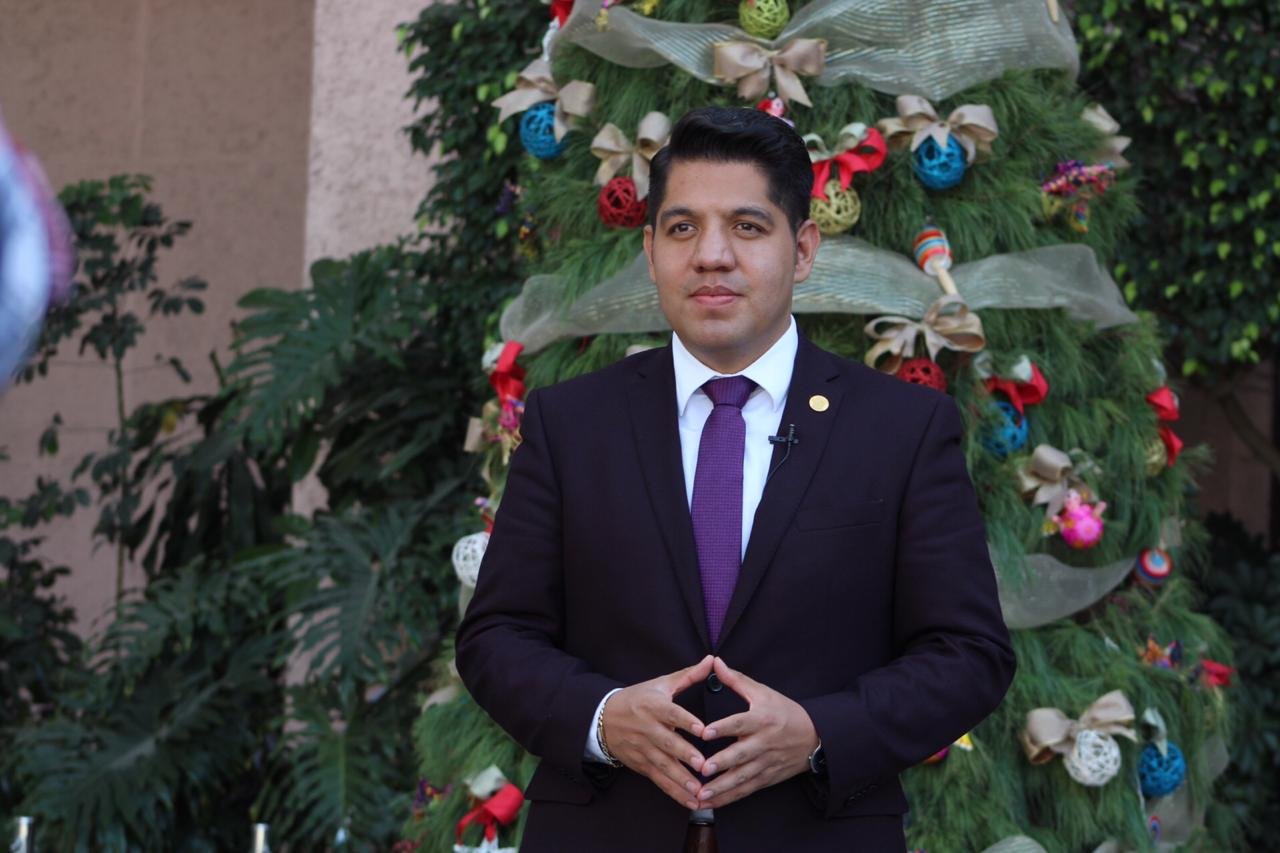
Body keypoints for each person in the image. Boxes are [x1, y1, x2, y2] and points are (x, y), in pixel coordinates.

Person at [456, 106, 1016, 852]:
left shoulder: (902, 428)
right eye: (682, 228)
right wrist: (603, 718)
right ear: (650, 249)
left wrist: (821, 732)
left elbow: (968, 652)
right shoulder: (571, 423)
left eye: (748, 227)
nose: (711, 255)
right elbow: (496, 635)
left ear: (803, 248)